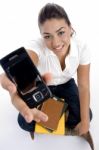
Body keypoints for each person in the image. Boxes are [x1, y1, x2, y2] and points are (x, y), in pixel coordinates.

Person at [0, 3, 92, 136]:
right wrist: (8, 78)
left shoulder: (82, 47)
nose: (55, 43)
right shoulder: (37, 47)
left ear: (70, 28)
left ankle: (53, 119)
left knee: (87, 115)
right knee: (24, 122)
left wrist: (85, 122)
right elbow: (25, 60)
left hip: (66, 84)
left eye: (61, 32)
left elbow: (83, 86)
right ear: (42, 35)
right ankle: (56, 118)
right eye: (47, 36)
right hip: (43, 86)